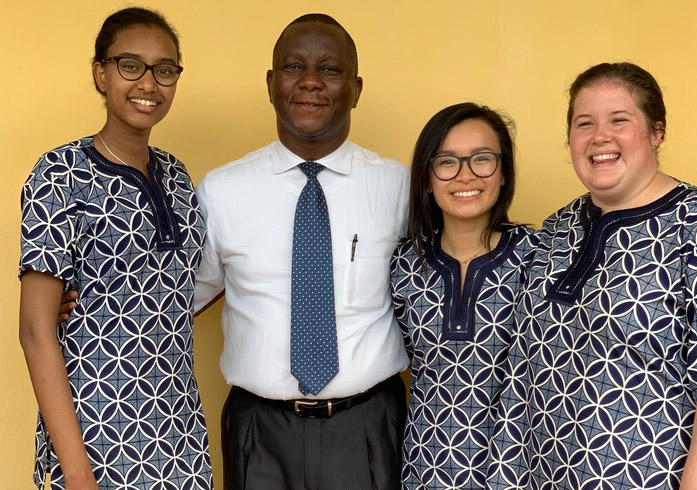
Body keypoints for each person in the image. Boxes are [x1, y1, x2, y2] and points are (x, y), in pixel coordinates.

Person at [488, 62, 697, 490]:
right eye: (585, 123)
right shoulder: (559, 227)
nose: (600, 136)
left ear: (656, 131)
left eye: (619, 120)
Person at [193, 14, 409, 490]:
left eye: (329, 70)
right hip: (259, 432)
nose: (310, 81)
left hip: (369, 427)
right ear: (271, 83)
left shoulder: (400, 189)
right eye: (294, 66)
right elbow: (179, 297)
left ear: (355, 87)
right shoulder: (221, 191)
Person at [19, 8, 212, 490]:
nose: (149, 83)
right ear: (100, 73)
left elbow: (179, 290)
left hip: (180, 441)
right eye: (131, 65)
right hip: (94, 439)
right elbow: (35, 332)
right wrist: (78, 473)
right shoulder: (59, 174)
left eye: (165, 69)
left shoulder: (179, 178)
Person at [390, 103, 537, 489]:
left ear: (503, 173)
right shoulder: (403, 264)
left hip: (521, 469)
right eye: (447, 162)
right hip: (426, 467)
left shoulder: (541, 258)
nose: (465, 175)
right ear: (426, 178)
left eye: (482, 159)